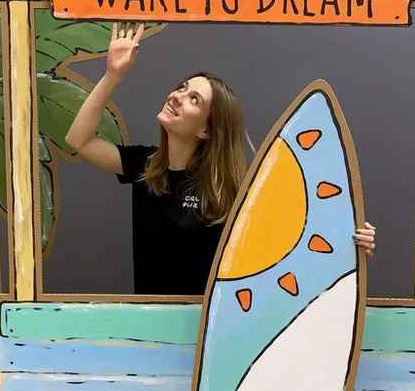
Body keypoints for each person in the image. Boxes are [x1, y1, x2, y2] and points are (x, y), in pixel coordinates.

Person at [65, 22, 376, 295]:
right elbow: (78, 140)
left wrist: (353, 241)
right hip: (149, 331)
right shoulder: (144, 166)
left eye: (193, 99)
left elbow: (292, 247)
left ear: (206, 130)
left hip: (208, 335)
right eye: (182, 88)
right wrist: (113, 75)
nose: (177, 95)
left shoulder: (231, 191)